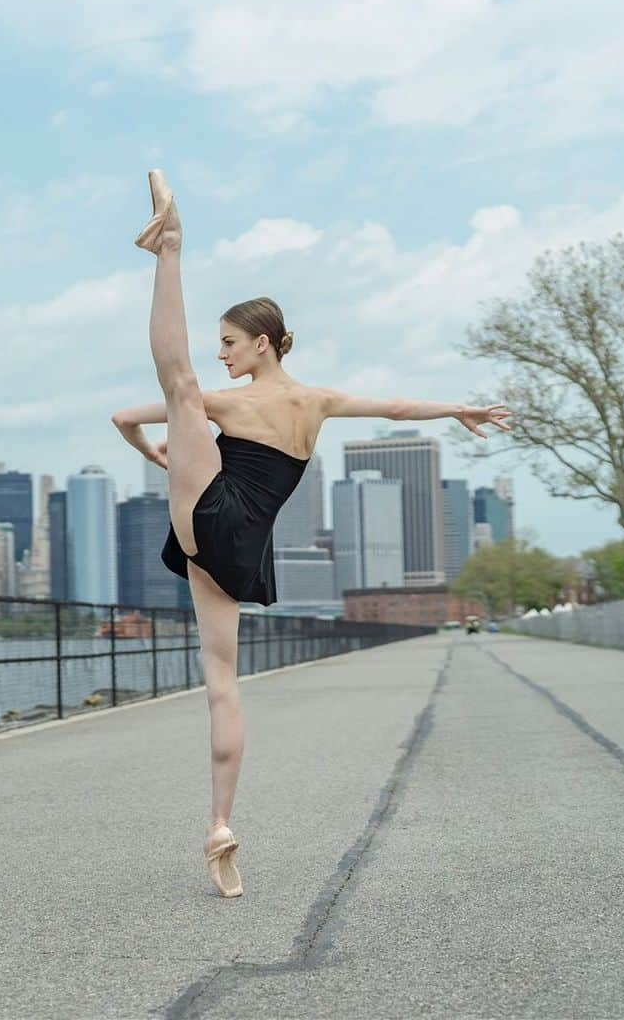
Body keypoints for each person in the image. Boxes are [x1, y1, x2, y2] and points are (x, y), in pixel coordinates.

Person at [111, 168, 513, 897]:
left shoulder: (228, 403)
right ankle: (220, 826)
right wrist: (460, 408)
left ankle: (171, 247)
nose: (225, 352)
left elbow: (127, 415)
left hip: (211, 509)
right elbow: (393, 407)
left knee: (177, 384)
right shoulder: (319, 400)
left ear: (263, 344)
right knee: (224, 686)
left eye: (231, 341)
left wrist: (160, 453)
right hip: (240, 546)